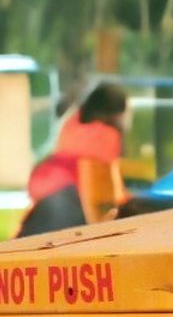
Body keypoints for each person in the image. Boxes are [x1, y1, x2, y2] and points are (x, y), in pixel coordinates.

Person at [18, 82, 129, 236]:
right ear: (117, 112)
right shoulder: (108, 135)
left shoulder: (72, 123)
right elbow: (107, 183)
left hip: (44, 181)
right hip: (73, 193)